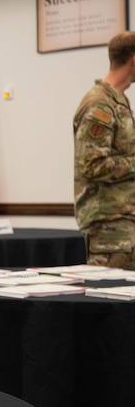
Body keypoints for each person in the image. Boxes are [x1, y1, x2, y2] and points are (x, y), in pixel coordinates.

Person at [73, 30, 135, 268]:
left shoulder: (119, 100)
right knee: (109, 299)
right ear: (133, 59)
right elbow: (91, 164)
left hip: (124, 223)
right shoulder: (100, 102)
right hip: (109, 229)